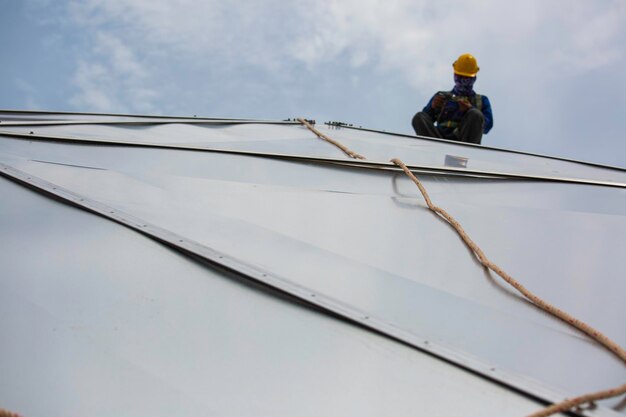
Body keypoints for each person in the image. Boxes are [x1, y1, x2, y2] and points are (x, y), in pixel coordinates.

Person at [412, 53, 493, 144]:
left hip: (464, 140)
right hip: (438, 138)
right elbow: (425, 119)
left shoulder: (481, 100)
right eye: (460, 76)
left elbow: (487, 127)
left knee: (476, 114)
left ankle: (464, 151)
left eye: (466, 78)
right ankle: (436, 147)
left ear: (474, 78)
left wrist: (470, 109)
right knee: (419, 117)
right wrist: (433, 107)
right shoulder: (441, 96)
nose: (462, 81)